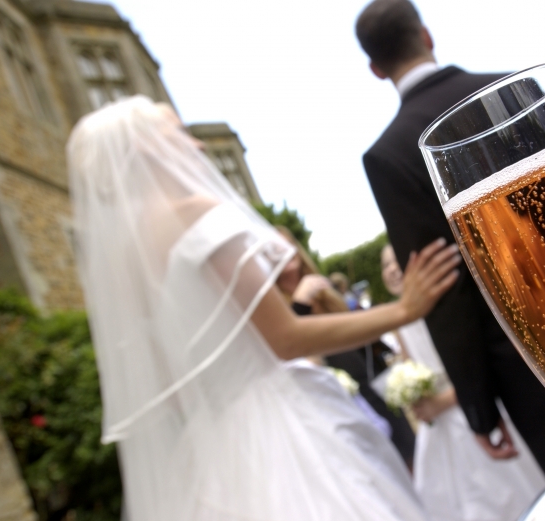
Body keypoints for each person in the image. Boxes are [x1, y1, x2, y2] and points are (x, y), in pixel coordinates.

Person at [67, 95, 463, 521]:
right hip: (277, 425)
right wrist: (404, 310)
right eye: (179, 134)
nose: (197, 145)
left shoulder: (123, 259)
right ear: (146, 147)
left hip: (215, 447)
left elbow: (169, 382)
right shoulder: (194, 214)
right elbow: (286, 338)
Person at [355, 0, 545, 480]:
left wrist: (479, 408)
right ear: (426, 36)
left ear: (376, 69)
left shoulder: (388, 155)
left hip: (526, 358)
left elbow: (443, 286)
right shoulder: (516, 88)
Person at [381, 244, 545, 521]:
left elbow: (472, 364)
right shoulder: (399, 325)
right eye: (385, 265)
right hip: (441, 422)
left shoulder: (443, 311)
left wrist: (443, 401)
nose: (391, 269)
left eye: (395, 261)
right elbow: (412, 367)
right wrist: (415, 396)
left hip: (469, 402)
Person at [274, 226, 417, 466]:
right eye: (274, 247)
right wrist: (300, 304)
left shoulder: (324, 290)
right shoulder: (280, 307)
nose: (284, 252)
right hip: (340, 399)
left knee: (409, 453)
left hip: (372, 384)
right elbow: (289, 348)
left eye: (287, 244)